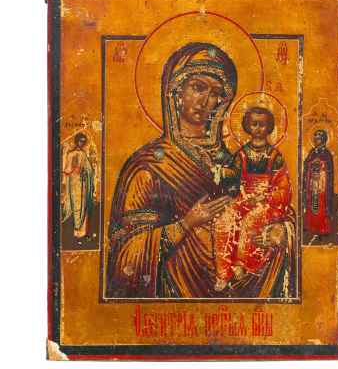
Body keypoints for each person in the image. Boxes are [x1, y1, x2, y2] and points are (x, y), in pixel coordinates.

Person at [107, 43, 296, 298]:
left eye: (215, 93)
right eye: (197, 87)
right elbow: (125, 256)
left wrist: (281, 232)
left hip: (246, 288)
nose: (206, 101)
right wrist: (186, 224)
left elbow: (277, 205)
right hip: (176, 295)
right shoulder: (148, 166)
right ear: (176, 91)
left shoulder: (234, 160)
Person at [213, 107, 292, 291]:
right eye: (254, 124)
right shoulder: (242, 153)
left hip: (267, 202)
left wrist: (264, 197)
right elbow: (234, 174)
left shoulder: (275, 156)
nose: (258, 128)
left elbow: (283, 188)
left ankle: (242, 264)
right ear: (247, 126)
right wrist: (221, 172)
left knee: (250, 220)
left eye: (262, 124)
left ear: (269, 127)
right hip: (244, 196)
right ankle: (223, 273)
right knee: (224, 220)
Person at [62, 132, 95, 244]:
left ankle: (82, 233)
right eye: (80, 141)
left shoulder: (83, 154)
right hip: (74, 183)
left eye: (83, 142)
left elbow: (89, 170)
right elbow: (66, 170)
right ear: (76, 141)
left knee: (83, 206)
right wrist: (73, 169)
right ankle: (76, 232)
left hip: (82, 184)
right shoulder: (71, 154)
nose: (81, 143)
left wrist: (85, 172)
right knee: (76, 206)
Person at [303, 129, 334, 235]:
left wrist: (320, 164)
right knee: (311, 204)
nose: (316, 141)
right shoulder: (312, 152)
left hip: (322, 185)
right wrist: (311, 163)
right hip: (312, 183)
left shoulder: (327, 154)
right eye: (315, 139)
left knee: (321, 206)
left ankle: (322, 228)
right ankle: (310, 226)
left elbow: (328, 169)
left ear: (323, 140)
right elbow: (307, 164)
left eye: (318, 139)